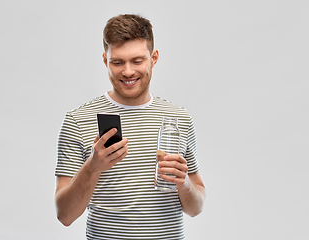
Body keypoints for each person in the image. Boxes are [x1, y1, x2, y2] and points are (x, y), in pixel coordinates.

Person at [55, 14, 206, 239]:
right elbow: (64, 215)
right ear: (105, 61)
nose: (127, 71)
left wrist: (183, 183)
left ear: (153, 58)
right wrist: (93, 166)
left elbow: (196, 208)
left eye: (137, 61)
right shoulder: (78, 120)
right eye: (117, 62)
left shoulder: (178, 119)